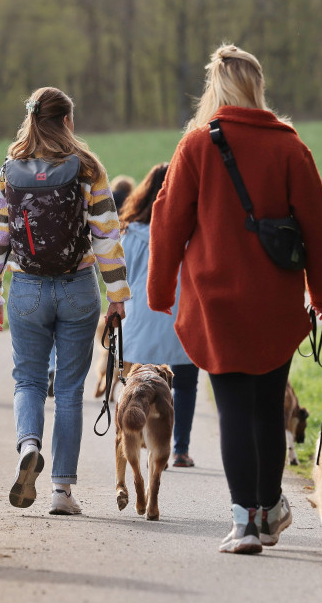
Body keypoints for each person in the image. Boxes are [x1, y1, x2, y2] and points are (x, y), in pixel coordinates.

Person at [147, 44, 322, 554]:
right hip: (275, 299)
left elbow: (167, 225)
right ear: (257, 88)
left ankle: (245, 522)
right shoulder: (290, 147)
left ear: (216, 88)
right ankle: (270, 508)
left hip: (216, 302)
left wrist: (160, 291)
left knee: (232, 406)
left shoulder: (196, 146)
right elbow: (319, 230)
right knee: (266, 405)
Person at [0, 86, 130, 516]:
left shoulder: (9, 170)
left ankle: (29, 445)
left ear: (31, 119)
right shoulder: (87, 168)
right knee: (68, 389)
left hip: (26, 288)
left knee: (28, 381)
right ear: (67, 121)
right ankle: (62, 492)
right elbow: (106, 235)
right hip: (78, 286)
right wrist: (117, 295)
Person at [118, 163, 199, 468]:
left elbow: (120, 276)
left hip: (141, 317)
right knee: (186, 383)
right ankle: (179, 449)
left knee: (138, 382)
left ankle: (135, 438)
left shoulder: (130, 235)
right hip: (180, 315)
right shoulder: (191, 232)